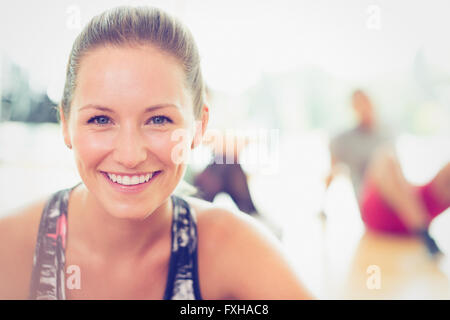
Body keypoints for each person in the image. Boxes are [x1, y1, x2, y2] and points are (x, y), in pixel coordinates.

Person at [0, 6, 312, 300]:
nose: (130, 155)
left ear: (199, 127)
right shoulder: (10, 247)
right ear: (65, 123)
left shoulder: (236, 248)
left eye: (159, 120)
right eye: (100, 119)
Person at [326, 90, 449, 257]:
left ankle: (420, 226)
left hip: (406, 205)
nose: (365, 108)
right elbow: (332, 173)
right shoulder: (342, 140)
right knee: (385, 156)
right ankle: (423, 232)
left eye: (367, 102)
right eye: (359, 105)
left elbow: (397, 176)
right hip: (375, 210)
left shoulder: (387, 130)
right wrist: (323, 206)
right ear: (353, 109)